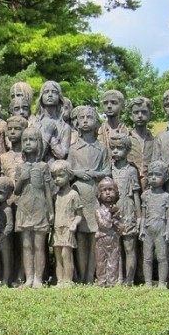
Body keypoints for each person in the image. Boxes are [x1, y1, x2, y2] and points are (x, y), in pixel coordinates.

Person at [68, 106, 110, 283]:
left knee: (94, 236)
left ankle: (90, 275)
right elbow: (68, 171)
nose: (85, 120)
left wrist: (95, 174)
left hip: (95, 192)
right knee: (80, 237)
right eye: (82, 117)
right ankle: (80, 273)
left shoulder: (101, 149)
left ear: (96, 123)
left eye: (89, 117)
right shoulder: (73, 149)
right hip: (79, 192)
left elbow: (107, 170)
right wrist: (77, 173)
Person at [14, 127, 54, 287]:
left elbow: (48, 191)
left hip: (40, 207)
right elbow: (16, 191)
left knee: (39, 246)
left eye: (32, 140)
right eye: (25, 140)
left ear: (39, 143)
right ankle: (28, 278)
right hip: (24, 207)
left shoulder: (44, 167)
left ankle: (38, 278)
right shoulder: (20, 167)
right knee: (26, 245)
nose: (28, 143)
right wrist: (22, 179)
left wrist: (51, 212)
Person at [109, 134, 141, 285]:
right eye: (113, 148)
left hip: (128, 209)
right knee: (116, 247)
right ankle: (118, 277)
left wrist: (139, 217)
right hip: (113, 210)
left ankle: (129, 278)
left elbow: (136, 196)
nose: (115, 151)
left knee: (129, 247)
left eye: (119, 148)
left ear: (127, 150)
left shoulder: (132, 170)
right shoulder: (110, 170)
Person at [139, 161, 169, 288]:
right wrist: (141, 229)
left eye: (157, 175)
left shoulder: (166, 196)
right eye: (151, 175)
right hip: (148, 229)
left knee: (162, 257)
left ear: (165, 178)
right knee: (147, 257)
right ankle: (148, 282)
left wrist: (168, 231)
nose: (153, 178)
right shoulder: (145, 195)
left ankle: (162, 283)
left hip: (161, 228)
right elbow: (143, 215)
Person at [50, 160, 82, 287]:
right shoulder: (56, 195)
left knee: (66, 254)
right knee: (57, 256)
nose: (57, 179)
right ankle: (60, 280)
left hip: (67, 228)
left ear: (69, 176)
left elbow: (79, 214)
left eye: (60, 176)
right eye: (54, 177)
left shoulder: (73, 194)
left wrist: (74, 223)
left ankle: (68, 279)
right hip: (57, 229)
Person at [95, 178, 124, 287]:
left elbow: (121, 229)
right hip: (101, 240)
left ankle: (112, 282)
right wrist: (111, 216)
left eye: (111, 190)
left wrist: (117, 221)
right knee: (100, 262)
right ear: (99, 194)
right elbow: (104, 225)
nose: (108, 193)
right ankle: (101, 282)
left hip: (114, 240)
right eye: (104, 190)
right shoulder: (98, 211)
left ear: (116, 193)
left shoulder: (117, 210)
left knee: (113, 262)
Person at [127, 97, 154, 191]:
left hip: (151, 186)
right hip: (130, 187)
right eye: (136, 112)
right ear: (131, 116)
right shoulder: (126, 139)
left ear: (149, 114)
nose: (140, 115)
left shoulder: (156, 140)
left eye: (144, 112)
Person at [0, 176, 15, 287]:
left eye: (1, 192)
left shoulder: (7, 209)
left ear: (9, 194)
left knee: (6, 261)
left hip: (4, 239)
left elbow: (10, 225)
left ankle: (6, 281)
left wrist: (2, 236)